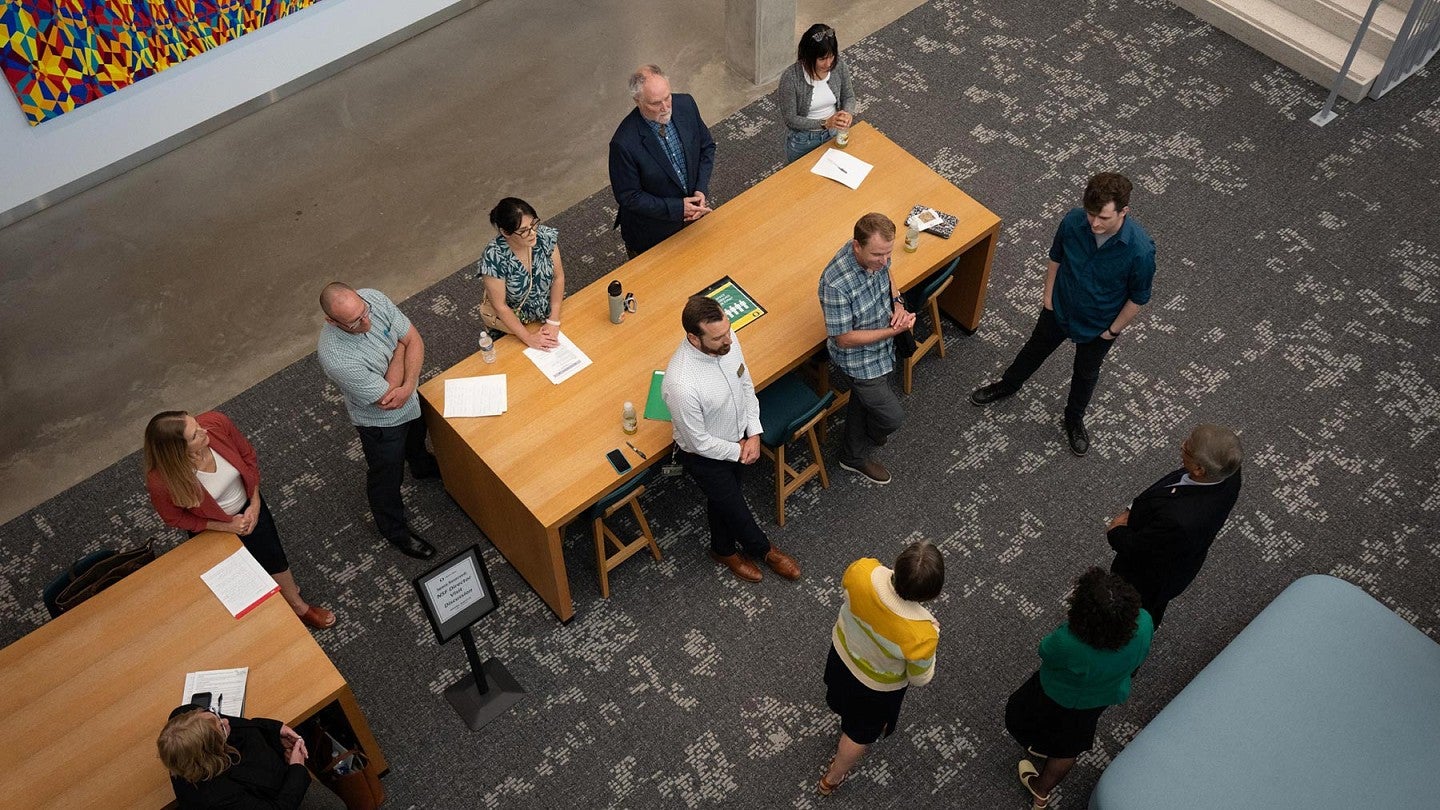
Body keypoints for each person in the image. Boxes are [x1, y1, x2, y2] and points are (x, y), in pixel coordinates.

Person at [970, 172, 1156, 456]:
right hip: (1060, 307)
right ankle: (1007, 386)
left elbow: (1138, 297)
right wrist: (1048, 299)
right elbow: (1056, 256)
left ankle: (1074, 419)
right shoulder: (1073, 220)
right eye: (1091, 214)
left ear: (1124, 212)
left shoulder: (1140, 251)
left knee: (1085, 373)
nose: (1094, 223)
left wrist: (1112, 331)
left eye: (1103, 218)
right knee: (1033, 350)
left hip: (1099, 324)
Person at [144, 410, 335, 630]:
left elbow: (248, 458)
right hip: (211, 528)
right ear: (177, 450)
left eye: (197, 424)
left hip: (250, 507)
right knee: (237, 577)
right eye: (195, 434)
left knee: (273, 556)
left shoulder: (216, 423)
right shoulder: (161, 480)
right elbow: (174, 517)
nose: (204, 431)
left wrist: (254, 505)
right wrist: (225, 526)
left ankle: (298, 606)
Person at [661, 295, 801, 584]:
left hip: (740, 438)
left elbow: (744, 382)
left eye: (728, 331)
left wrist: (754, 431)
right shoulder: (680, 385)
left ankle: (722, 550)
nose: (729, 340)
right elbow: (698, 441)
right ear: (694, 338)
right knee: (736, 507)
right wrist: (738, 450)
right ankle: (764, 550)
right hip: (706, 457)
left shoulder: (725, 338)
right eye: (718, 338)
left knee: (722, 502)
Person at [1005, 568, 1153, 809]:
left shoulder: (1069, 643)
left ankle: (1040, 765)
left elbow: (1045, 651)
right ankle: (1041, 792)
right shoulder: (1145, 622)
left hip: (1059, 696)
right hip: (1104, 695)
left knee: (1031, 718)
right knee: (1069, 746)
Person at [317, 282, 439, 560]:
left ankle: (421, 467)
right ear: (331, 322)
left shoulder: (373, 299)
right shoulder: (336, 357)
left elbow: (415, 340)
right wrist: (400, 349)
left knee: (417, 438)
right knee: (387, 475)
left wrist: (407, 385)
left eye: (364, 312)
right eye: (354, 322)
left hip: (411, 396)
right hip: (381, 424)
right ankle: (394, 529)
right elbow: (387, 397)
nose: (366, 321)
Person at [818, 541, 943, 796]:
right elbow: (920, 678)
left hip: (842, 656)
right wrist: (933, 633)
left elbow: (848, 592)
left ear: (897, 563)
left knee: (840, 699)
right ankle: (833, 777)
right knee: (858, 733)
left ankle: (842, 711)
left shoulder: (863, 571)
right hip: (875, 689)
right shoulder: (922, 634)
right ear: (930, 595)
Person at [1108, 423, 1243, 627]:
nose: (1181, 445)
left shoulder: (1179, 521)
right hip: (1180, 556)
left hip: (1149, 576)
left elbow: (1138, 548)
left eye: (1186, 448)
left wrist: (1116, 529)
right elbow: (1175, 483)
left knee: (1130, 609)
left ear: (1199, 469)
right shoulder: (1228, 473)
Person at [818, 213, 915, 485]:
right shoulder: (835, 284)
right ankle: (855, 453)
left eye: (888, 253)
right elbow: (843, 339)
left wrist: (897, 303)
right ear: (856, 246)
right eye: (877, 255)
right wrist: (893, 331)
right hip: (858, 359)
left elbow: (887, 273)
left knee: (864, 403)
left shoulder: (878, 254)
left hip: (882, 342)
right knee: (892, 418)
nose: (883, 261)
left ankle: (852, 453)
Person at [608, 64, 717, 257]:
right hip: (653, 234)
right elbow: (629, 197)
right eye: (655, 103)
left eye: (668, 97)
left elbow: (706, 147)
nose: (665, 108)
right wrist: (678, 208)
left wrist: (700, 189)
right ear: (638, 101)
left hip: (695, 215)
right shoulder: (623, 143)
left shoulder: (686, 105)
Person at [157, 704, 313, 809]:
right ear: (212, 752)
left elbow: (242, 725)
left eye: (215, 715)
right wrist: (297, 769)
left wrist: (276, 729)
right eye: (222, 729)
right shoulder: (219, 798)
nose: (225, 720)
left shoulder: (182, 716)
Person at [474, 197, 566, 349]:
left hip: (547, 311)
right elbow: (500, 306)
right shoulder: (494, 258)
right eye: (523, 231)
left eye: (533, 224)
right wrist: (528, 338)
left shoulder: (545, 237)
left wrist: (553, 320)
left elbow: (558, 277)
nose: (532, 233)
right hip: (512, 325)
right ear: (505, 232)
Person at [777, 23, 857, 163]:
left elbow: (848, 96)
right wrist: (825, 123)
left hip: (834, 133)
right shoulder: (791, 78)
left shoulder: (838, 66)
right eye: (822, 59)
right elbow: (790, 119)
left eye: (831, 56)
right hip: (803, 140)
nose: (828, 64)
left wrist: (847, 113)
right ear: (808, 56)